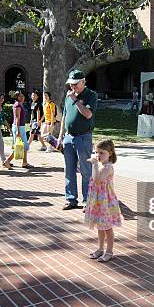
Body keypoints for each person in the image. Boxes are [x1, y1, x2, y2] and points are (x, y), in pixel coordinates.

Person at [58, 70, 98, 210]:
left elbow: (87, 114)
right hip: (69, 137)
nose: (72, 87)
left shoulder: (91, 95)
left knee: (86, 170)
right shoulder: (69, 96)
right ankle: (71, 199)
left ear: (83, 81)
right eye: (70, 84)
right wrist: (60, 136)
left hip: (83, 137)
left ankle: (88, 201)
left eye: (75, 84)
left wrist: (75, 100)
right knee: (69, 170)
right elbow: (64, 117)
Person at [85, 139, 122, 263]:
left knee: (107, 227)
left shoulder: (108, 167)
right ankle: (100, 248)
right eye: (96, 152)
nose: (98, 155)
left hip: (105, 202)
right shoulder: (100, 165)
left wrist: (94, 165)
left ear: (110, 153)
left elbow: (97, 180)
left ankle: (109, 251)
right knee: (100, 226)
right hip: (97, 201)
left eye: (102, 153)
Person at [4, 91, 31, 168]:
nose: (22, 97)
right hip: (18, 127)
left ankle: (24, 162)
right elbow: (17, 118)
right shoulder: (17, 105)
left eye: (23, 96)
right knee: (20, 146)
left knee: (24, 145)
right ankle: (7, 161)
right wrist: (18, 131)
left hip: (20, 127)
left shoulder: (20, 104)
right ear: (16, 97)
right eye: (20, 96)